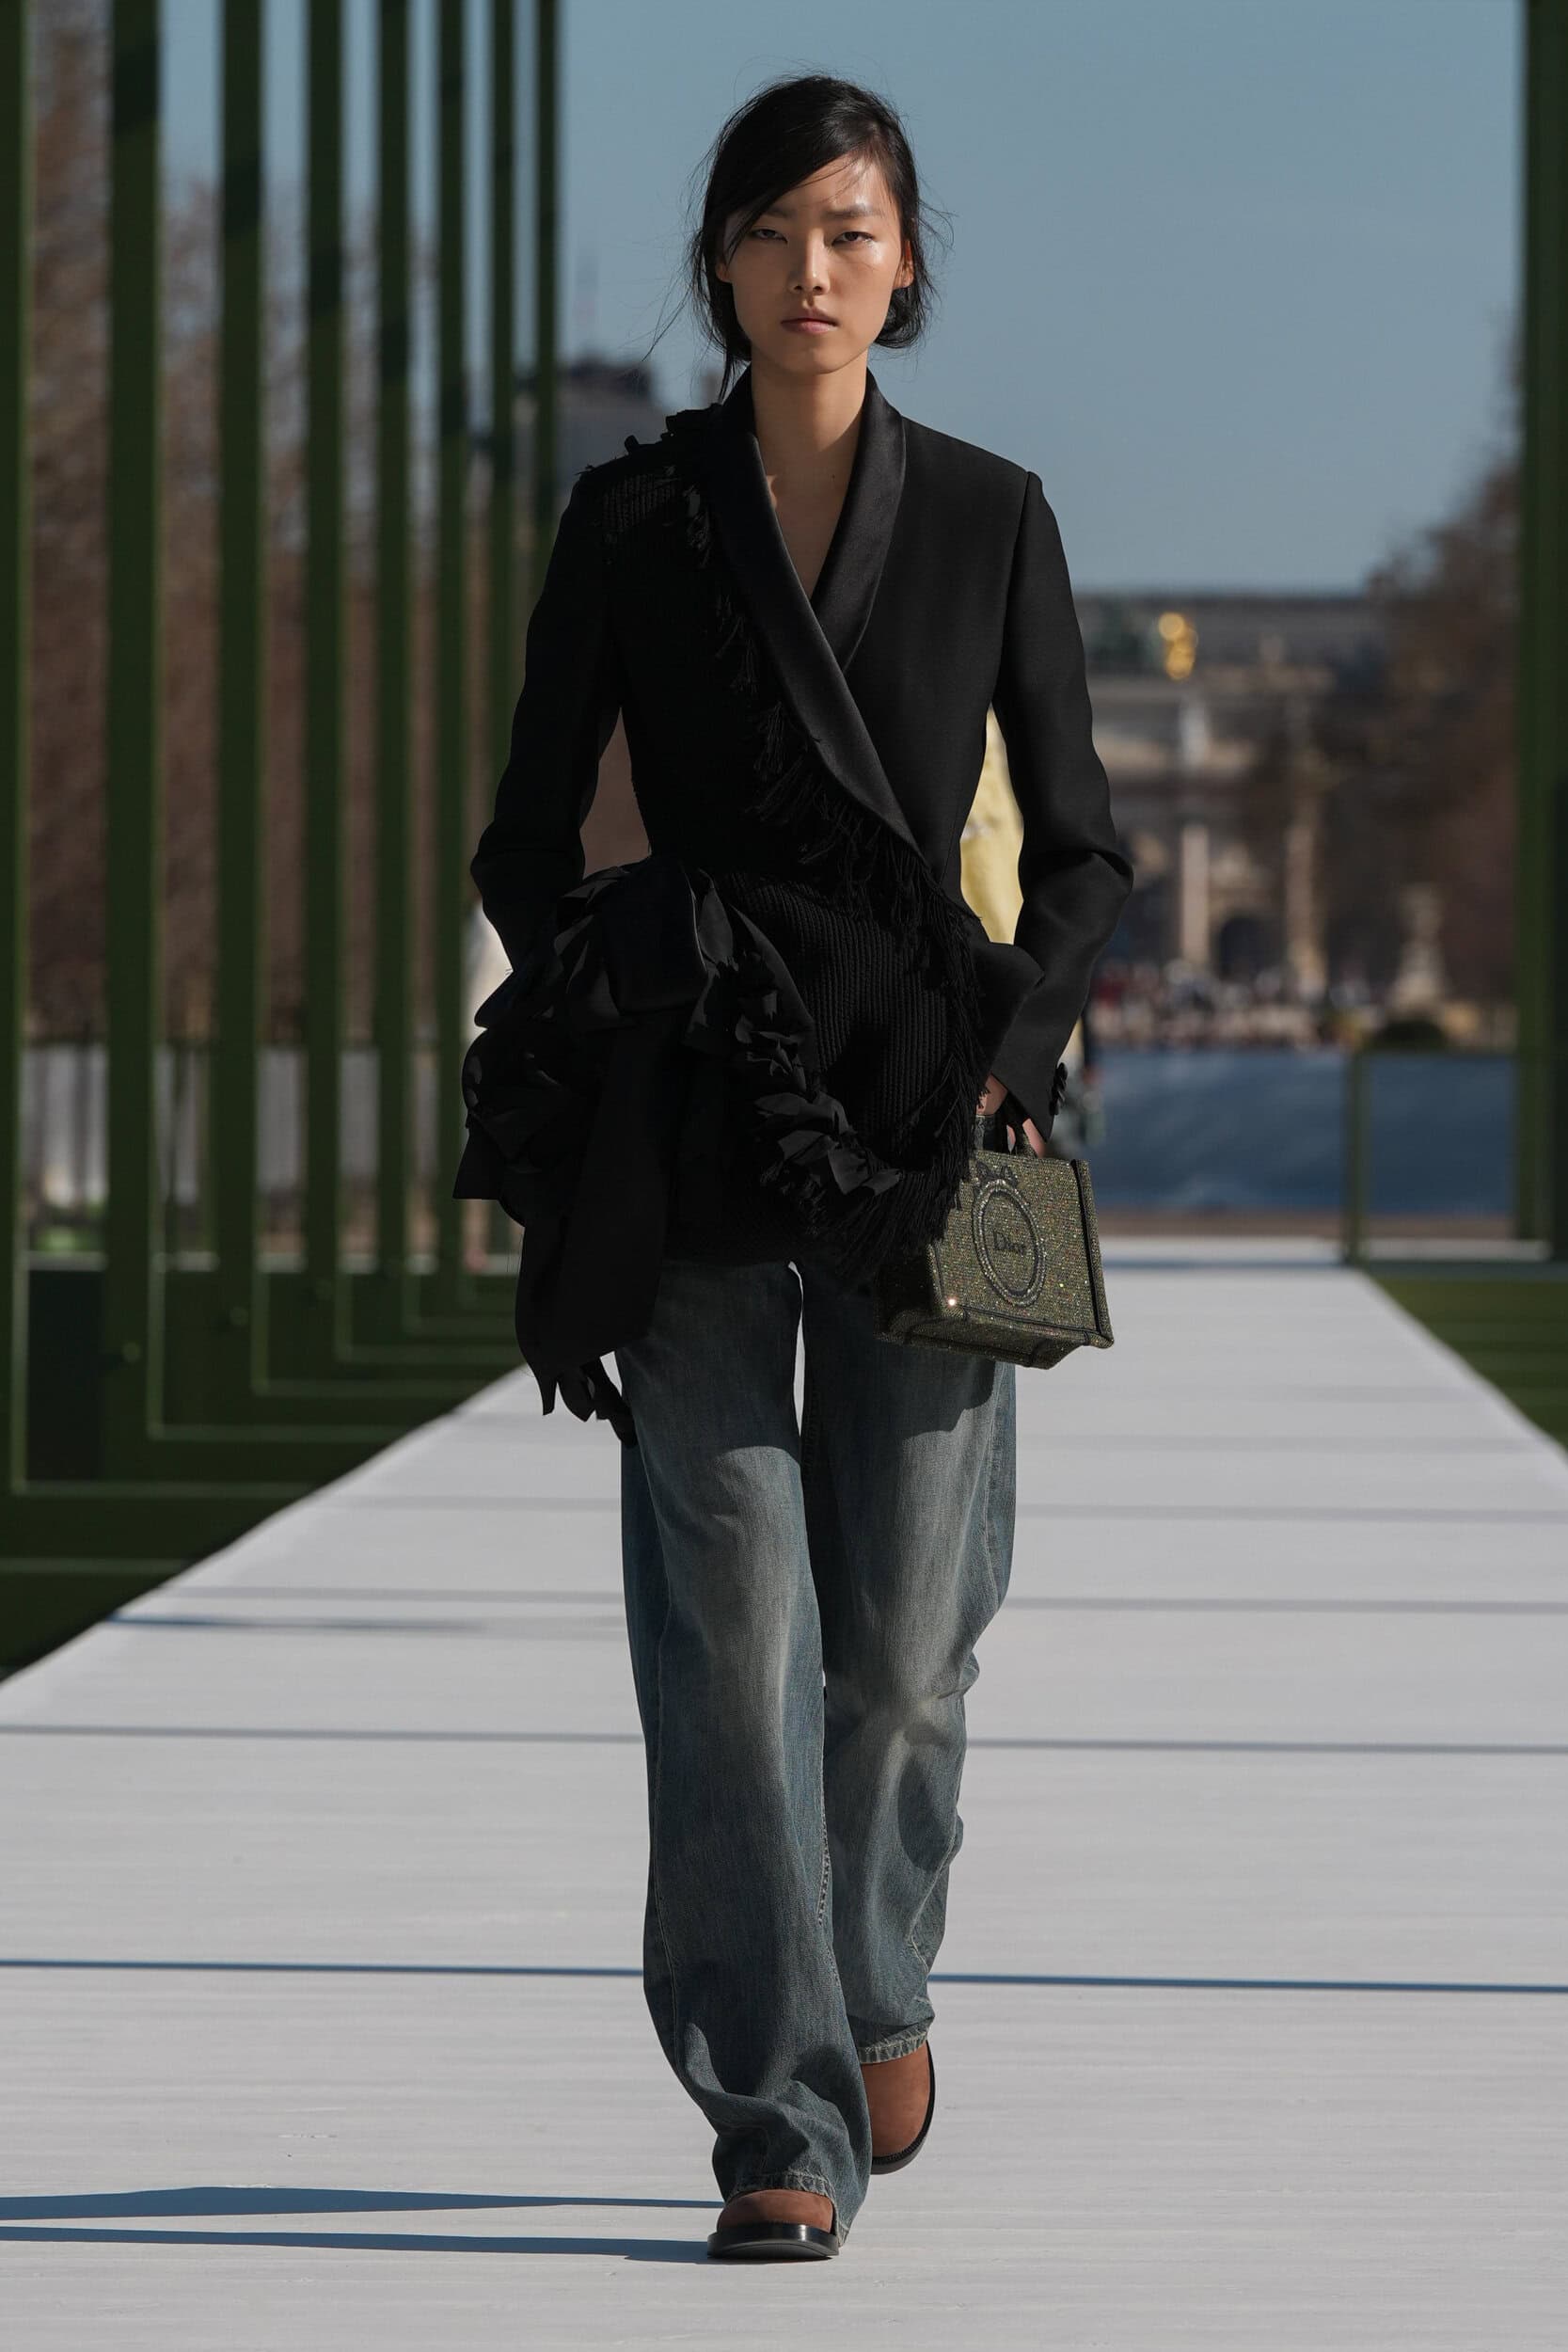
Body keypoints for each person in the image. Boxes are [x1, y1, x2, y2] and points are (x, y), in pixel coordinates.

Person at [459, 73, 1132, 2262]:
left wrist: (1013, 1065)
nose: (812, 269)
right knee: (734, 1612)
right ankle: (780, 2105)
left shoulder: (994, 517)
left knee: (911, 1645)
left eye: (850, 230)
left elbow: (1088, 852)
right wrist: (621, 984)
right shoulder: (632, 522)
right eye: (771, 230)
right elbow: (522, 832)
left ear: (905, 262)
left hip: (941, 1125)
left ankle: (879, 1975)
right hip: (692, 1116)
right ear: (723, 267)